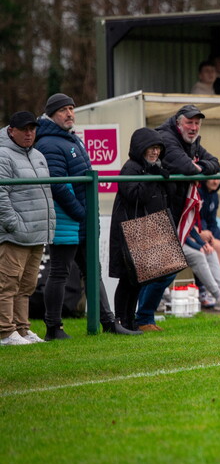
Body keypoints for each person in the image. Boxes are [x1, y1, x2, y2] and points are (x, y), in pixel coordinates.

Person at [35, 93, 138, 339]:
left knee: (93, 270)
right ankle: (53, 327)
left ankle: (108, 322)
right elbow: (59, 185)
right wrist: (82, 213)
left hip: (82, 221)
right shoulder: (48, 143)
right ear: (51, 114)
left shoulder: (70, 139)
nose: (70, 113)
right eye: (64, 110)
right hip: (67, 222)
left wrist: (86, 216)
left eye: (72, 108)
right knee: (59, 272)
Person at [137, 104, 220, 329]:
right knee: (158, 269)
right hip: (154, 210)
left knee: (166, 269)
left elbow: (215, 164)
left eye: (196, 123)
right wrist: (196, 167)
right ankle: (141, 317)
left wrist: (197, 165)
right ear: (178, 122)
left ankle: (143, 317)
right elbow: (187, 168)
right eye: (189, 122)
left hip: (172, 212)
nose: (193, 127)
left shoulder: (193, 142)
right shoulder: (166, 137)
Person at [108, 128, 173, 332]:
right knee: (127, 279)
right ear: (140, 149)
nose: (155, 152)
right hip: (129, 230)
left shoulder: (152, 167)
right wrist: (153, 176)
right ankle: (121, 321)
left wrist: (159, 175)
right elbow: (135, 196)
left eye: (157, 148)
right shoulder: (131, 168)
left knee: (137, 279)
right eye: (151, 148)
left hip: (144, 230)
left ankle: (130, 322)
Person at [0, 112, 55, 345]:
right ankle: (5, 331)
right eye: (24, 129)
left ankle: (22, 329)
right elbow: (1, 194)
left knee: (26, 285)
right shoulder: (2, 155)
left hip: (37, 232)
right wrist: (13, 224)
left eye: (32, 129)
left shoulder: (39, 155)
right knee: (7, 284)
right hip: (15, 234)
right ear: (11, 130)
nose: (29, 133)